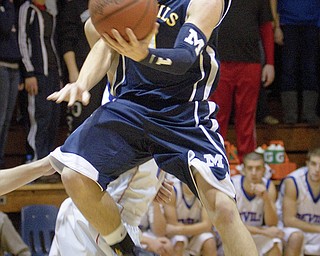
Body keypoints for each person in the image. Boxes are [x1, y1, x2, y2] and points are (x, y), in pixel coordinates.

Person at [46, 0, 259, 255]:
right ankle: (126, 249)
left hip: (182, 113)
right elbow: (106, 44)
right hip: (131, 106)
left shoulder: (204, 1)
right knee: (74, 175)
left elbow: (185, 58)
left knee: (223, 208)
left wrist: (145, 55)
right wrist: (81, 83)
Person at [208, 0, 275, 162]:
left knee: (246, 116)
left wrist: (270, 63)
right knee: (217, 115)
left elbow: (266, 29)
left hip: (250, 62)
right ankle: (215, 162)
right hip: (219, 62)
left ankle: (248, 163)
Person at [18, 0, 62, 161]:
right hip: (36, 75)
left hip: (53, 74)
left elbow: (52, 43)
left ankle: (47, 166)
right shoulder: (27, 9)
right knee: (39, 119)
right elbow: (22, 40)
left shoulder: (50, 12)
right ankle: (35, 162)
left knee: (52, 120)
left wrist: (60, 76)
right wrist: (29, 73)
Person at [57, 0, 106, 133]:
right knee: (81, 119)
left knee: (103, 117)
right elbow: (66, 41)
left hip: (107, 70)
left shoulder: (111, 5)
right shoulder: (74, 6)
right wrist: (73, 72)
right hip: (83, 68)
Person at [273, 0, 320, 125]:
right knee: (288, 68)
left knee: (310, 69)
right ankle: (290, 116)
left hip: (313, 24)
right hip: (287, 23)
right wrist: (276, 26)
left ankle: (309, 114)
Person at [231, 152, 284, 256]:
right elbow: (231, 225)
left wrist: (266, 198)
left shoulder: (268, 186)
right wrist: (263, 232)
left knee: (275, 244)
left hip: (256, 233)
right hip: (235, 234)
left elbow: (272, 223)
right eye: (250, 168)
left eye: (258, 168)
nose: (254, 172)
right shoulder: (232, 186)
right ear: (243, 170)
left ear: (264, 170)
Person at [276, 147, 320, 255]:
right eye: (314, 164)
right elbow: (289, 220)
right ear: (307, 164)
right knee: (296, 237)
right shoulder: (293, 181)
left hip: (316, 230)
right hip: (290, 229)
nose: (317, 169)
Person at [164, 177, 217, 256]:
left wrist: (178, 229)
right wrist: (198, 227)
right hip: (178, 236)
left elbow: (207, 226)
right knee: (179, 242)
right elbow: (172, 223)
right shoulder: (173, 190)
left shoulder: (205, 191)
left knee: (209, 242)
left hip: (193, 234)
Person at [0, 0, 21, 168]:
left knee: (6, 121)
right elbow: (5, 26)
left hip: (14, 68)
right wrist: (8, 4)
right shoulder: (8, 7)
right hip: (1, 67)